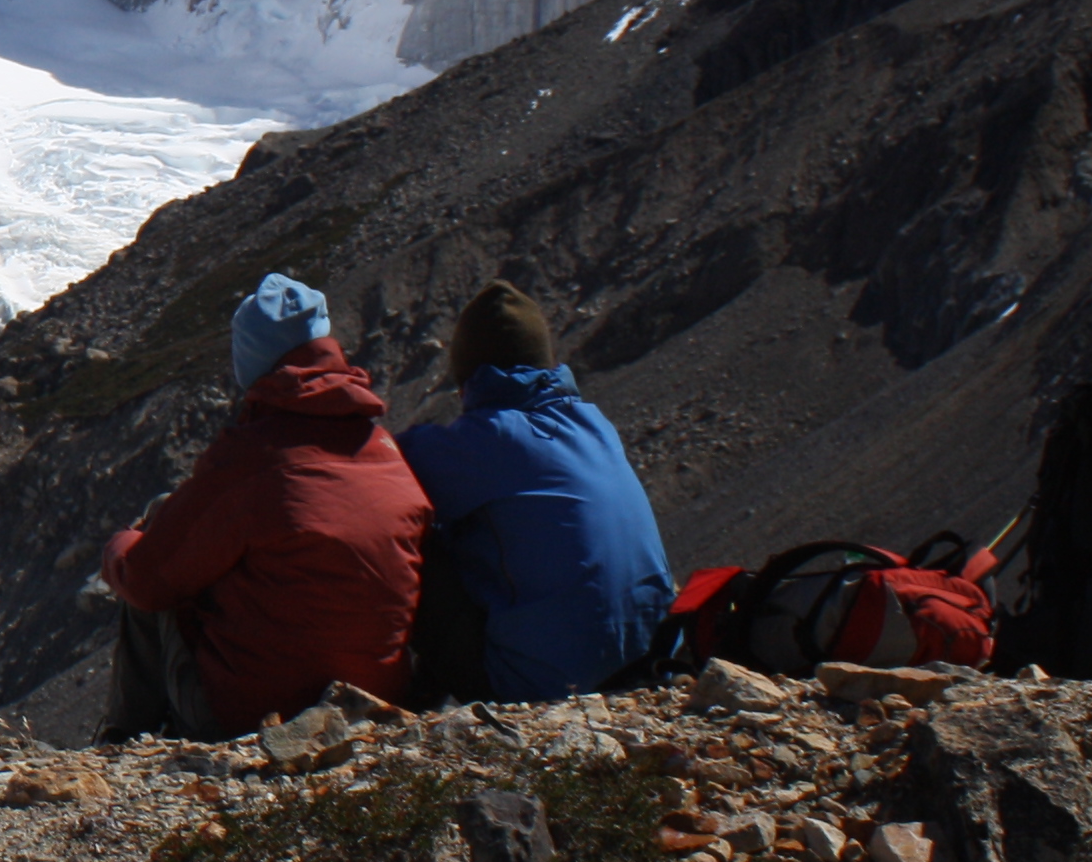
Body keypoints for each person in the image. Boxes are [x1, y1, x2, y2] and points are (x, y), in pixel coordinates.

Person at [99, 273, 430, 740]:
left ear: (250, 362)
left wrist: (122, 546)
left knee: (154, 559)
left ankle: (119, 742)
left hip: (257, 720)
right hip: (377, 711)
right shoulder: (384, 450)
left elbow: (148, 580)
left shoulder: (250, 458)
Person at [398, 280, 675, 702]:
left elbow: (379, 467)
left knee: (413, 538)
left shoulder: (490, 439)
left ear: (468, 377)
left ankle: (405, 705)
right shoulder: (596, 425)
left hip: (543, 686)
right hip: (651, 664)